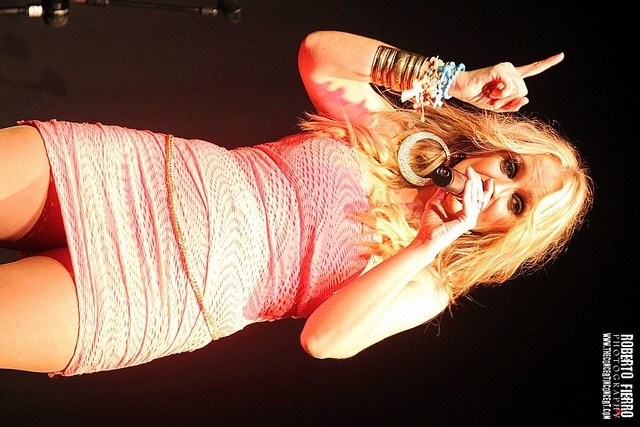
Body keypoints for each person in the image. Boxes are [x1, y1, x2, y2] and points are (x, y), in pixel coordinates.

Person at [0, 31, 592, 377]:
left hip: (164, 294)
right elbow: (318, 53)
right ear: (495, 146)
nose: (498, 185)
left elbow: (325, 341)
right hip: (139, 174)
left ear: (509, 233)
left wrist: (425, 243)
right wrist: (452, 82)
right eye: (511, 166)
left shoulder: (428, 283)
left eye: (518, 204)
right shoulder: (400, 136)